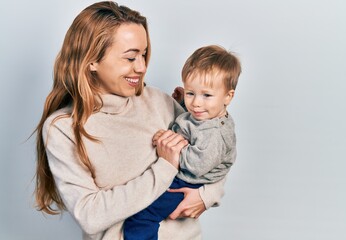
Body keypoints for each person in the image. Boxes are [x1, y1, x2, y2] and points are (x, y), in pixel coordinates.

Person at [33, 2, 225, 240]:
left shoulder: (159, 101)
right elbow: (90, 215)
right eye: (131, 57)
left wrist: (208, 196)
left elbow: (216, 147)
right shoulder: (63, 128)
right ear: (92, 60)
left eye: (144, 55)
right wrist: (165, 167)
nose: (142, 67)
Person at [123, 45, 241, 240]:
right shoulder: (207, 115)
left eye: (206, 95)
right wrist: (181, 104)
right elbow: (192, 123)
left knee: (143, 217)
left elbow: (196, 165)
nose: (196, 103)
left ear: (228, 96)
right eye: (190, 93)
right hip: (184, 176)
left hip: (187, 181)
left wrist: (170, 145)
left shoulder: (214, 133)